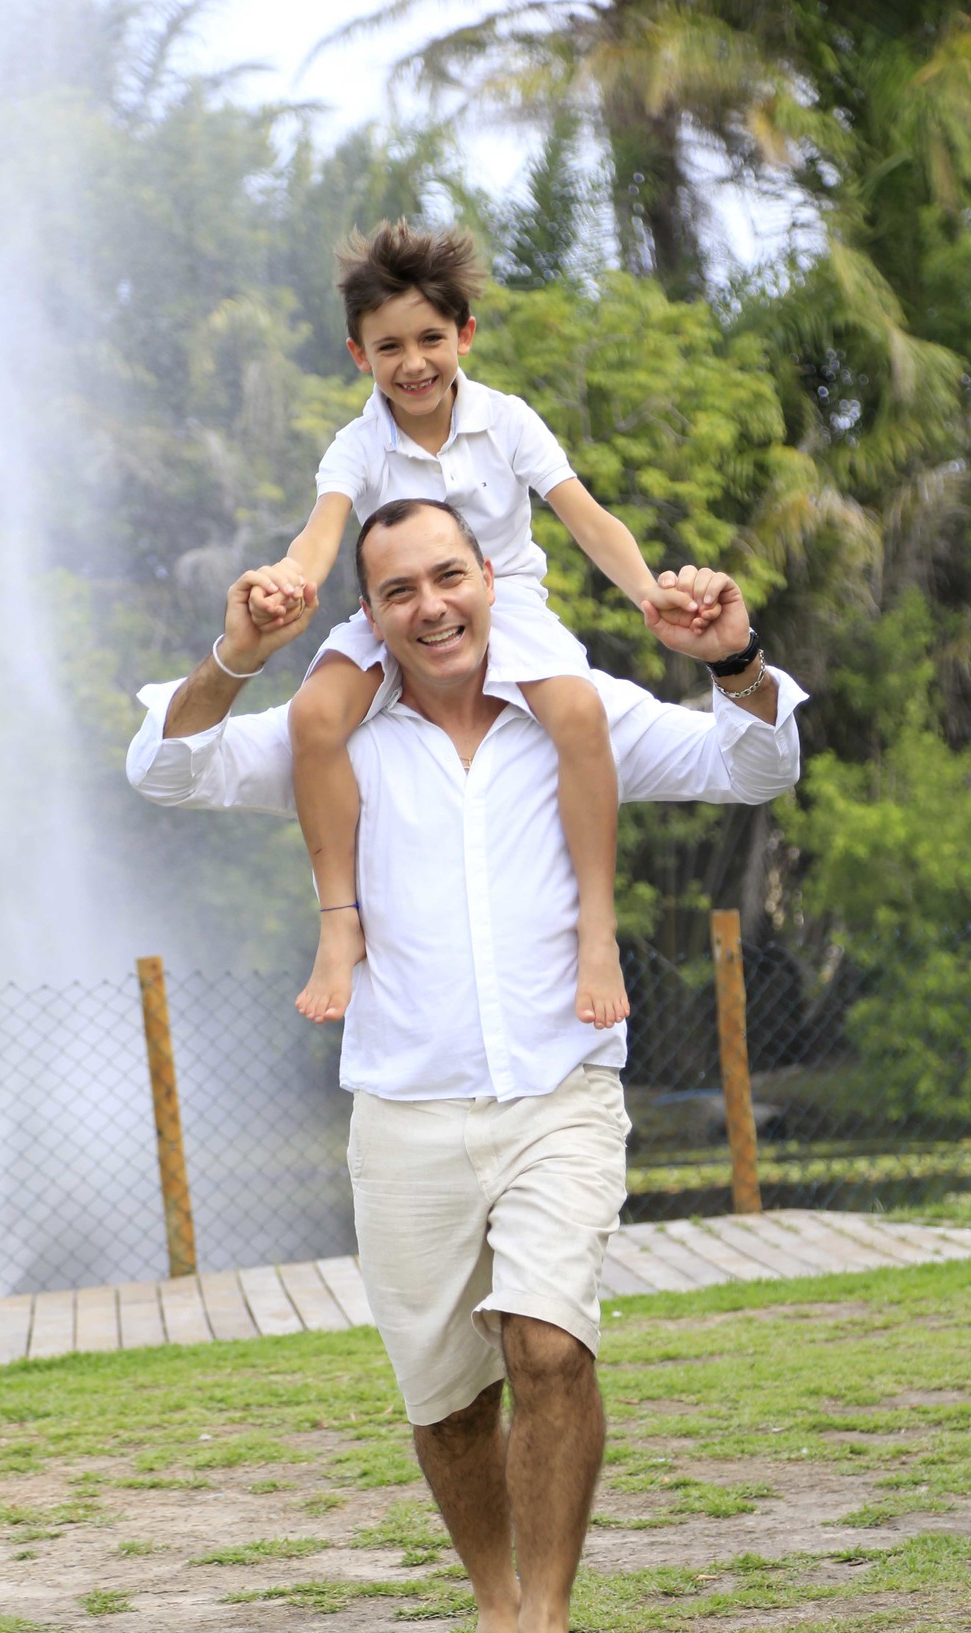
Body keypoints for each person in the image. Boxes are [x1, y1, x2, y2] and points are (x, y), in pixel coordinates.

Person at [127, 498, 806, 1633]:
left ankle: (549, 1625)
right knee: (448, 1401)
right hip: (405, 1113)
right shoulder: (333, 734)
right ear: (371, 614)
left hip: (561, 1093)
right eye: (400, 590)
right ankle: (494, 1607)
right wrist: (235, 657)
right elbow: (166, 770)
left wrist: (735, 662)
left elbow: (754, 765)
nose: (431, 606)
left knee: (549, 1346)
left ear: (490, 577)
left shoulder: (577, 712)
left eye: (448, 576)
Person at [250, 221, 718, 1030]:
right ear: (360, 355)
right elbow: (320, 534)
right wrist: (289, 582)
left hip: (508, 606)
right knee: (314, 715)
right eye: (389, 347)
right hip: (397, 612)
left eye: (430, 339)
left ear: (463, 335)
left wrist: (649, 591)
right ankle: (339, 921)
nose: (414, 363)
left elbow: (588, 518)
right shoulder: (357, 445)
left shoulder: (508, 420)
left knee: (580, 712)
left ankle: (596, 929)